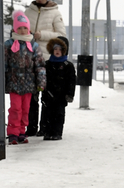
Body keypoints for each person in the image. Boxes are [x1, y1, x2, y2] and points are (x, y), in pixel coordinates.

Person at [24, 0, 66, 137]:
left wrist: (41, 35)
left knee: (46, 97)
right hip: (29, 60)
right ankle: (31, 127)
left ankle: (45, 127)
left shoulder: (55, 13)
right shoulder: (28, 12)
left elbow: (61, 35)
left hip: (47, 60)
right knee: (31, 96)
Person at [4, 12, 46, 145]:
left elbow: (40, 65)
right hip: (14, 83)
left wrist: (41, 82)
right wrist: (1, 80)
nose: (22, 31)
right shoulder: (9, 45)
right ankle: (13, 133)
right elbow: (3, 63)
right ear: (15, 29)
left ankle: (22, 131)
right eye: (19, 28)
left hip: (29, 84)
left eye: (24, 28)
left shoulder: (33, 46)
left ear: (29, 29)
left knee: (26, 109)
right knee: (15, 108)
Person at [40, 37, 75, 141]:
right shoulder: (47, 64)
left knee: (59, 115)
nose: (57, 51)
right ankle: (47, 132)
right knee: (47, 114)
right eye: (55, 49)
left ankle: (57, 133)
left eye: (60, 49)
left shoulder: (68, 66)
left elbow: (71, 81)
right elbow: (42, 79)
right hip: (48, 95)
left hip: (61, 96)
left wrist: (70, 94)